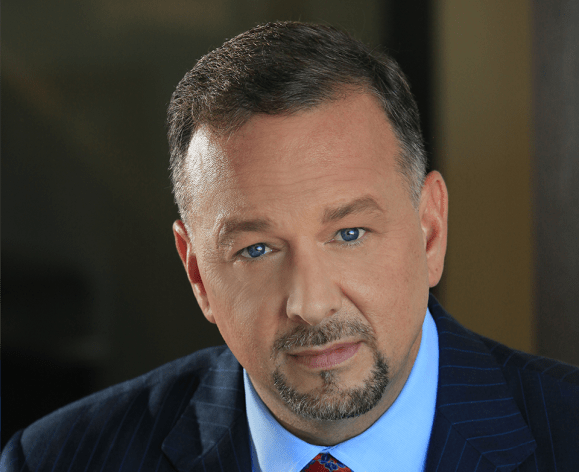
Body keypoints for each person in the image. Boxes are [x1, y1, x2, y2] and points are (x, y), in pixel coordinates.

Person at [2, 21, 577, 472]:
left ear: (429, 231)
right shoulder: (60, 459)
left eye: (349, 234)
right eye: (256, 249)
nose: (310, 302)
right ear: (198, 275)